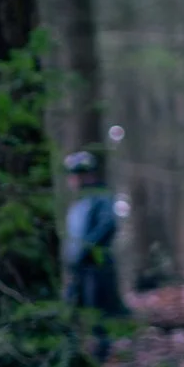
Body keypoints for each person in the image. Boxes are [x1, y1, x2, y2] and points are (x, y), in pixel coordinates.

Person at [62, 150, 126, 353]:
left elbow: (108, 225)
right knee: (71, 312)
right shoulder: (79, 203)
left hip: (96, 268)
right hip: (79, 270)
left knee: (97, 315)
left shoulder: (100, 198)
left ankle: (102, 355)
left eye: (77, 174)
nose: (73, 179)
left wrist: (86, 250)